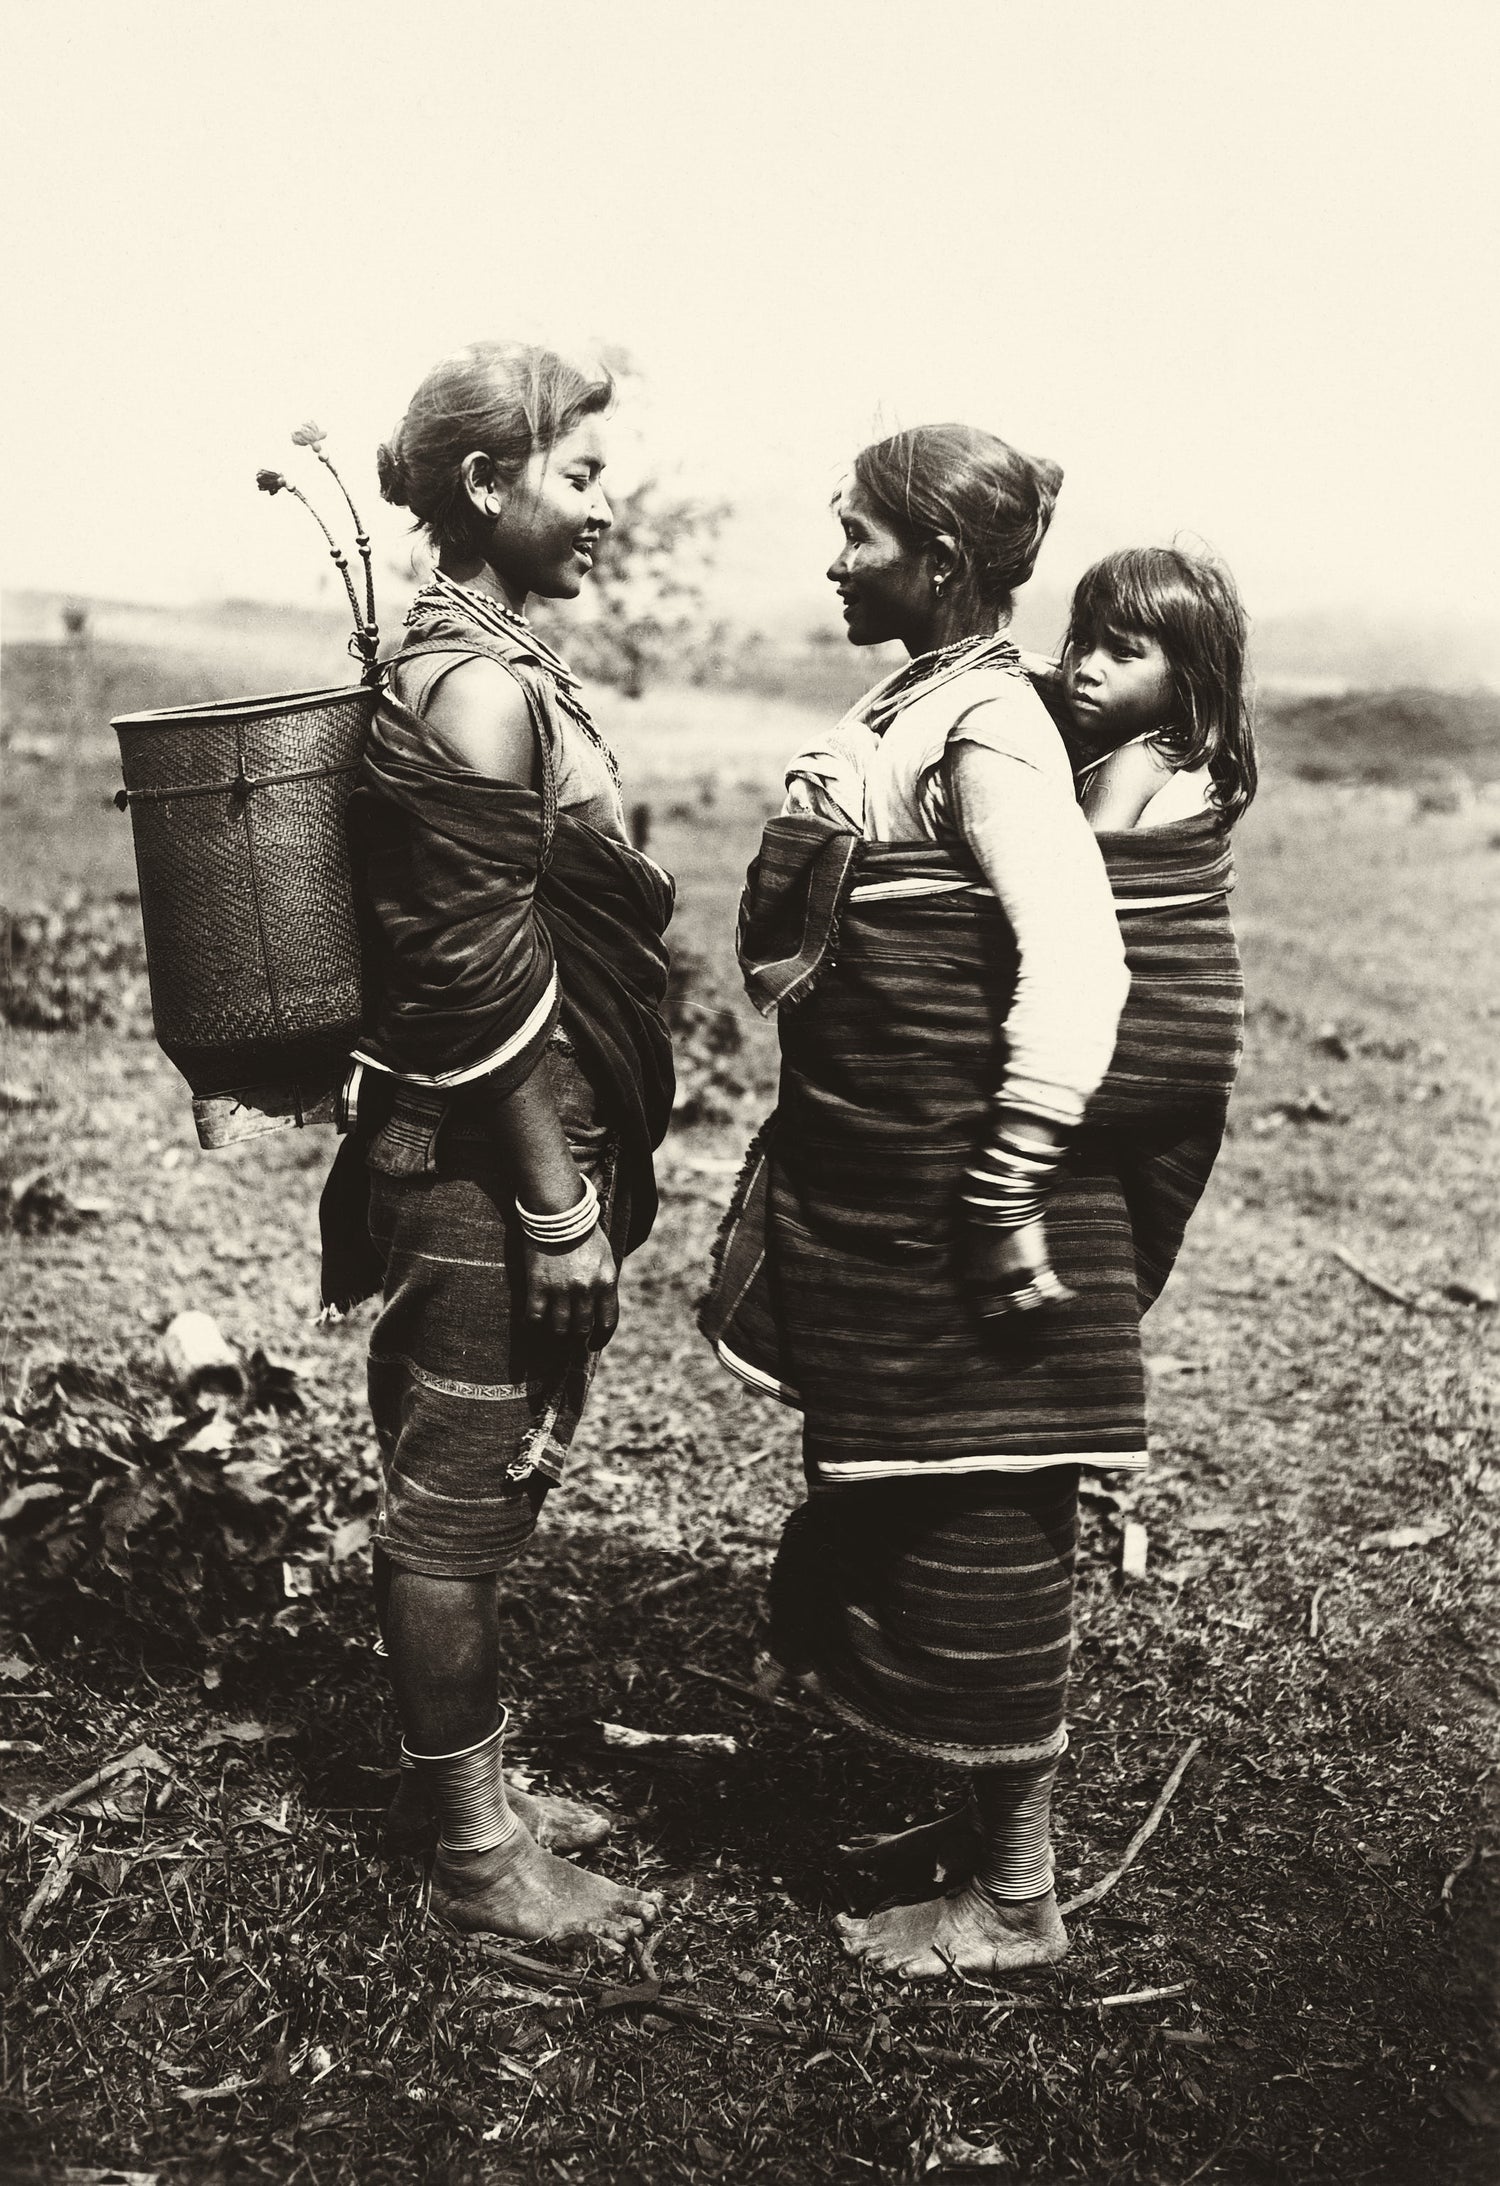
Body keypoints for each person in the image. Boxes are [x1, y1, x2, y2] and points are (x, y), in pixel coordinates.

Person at [704, 422, 1141, 1979]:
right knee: (918, 1500)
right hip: (888, 1191)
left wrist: (1015, 1174)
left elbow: (1080, 958)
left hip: (968, 1199)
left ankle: (1015, 1896)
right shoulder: (912, 706)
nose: (833, 560)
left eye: (859, 537)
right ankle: (971, 1838)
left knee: (986, 1521)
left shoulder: (993, 732)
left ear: (941, 561)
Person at [319, 341, 673, 1947]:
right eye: (582, 477)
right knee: (454, 1496)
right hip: (481, 1158)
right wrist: (551, 1202)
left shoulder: (490, 660)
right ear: (487, 484)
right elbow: (473, 969)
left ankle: (463, 1786)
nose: (606, 508)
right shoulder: (472, 686)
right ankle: (473, 1853)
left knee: (474, 1467)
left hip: (492, 1148)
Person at [1057, 545, 1257, 834]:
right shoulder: (1178, 754)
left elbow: (1081, 869)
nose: (1086, 669)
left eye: (1123, 652)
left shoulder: (1137, 762)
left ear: (1188, 674)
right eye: (1081, 641)